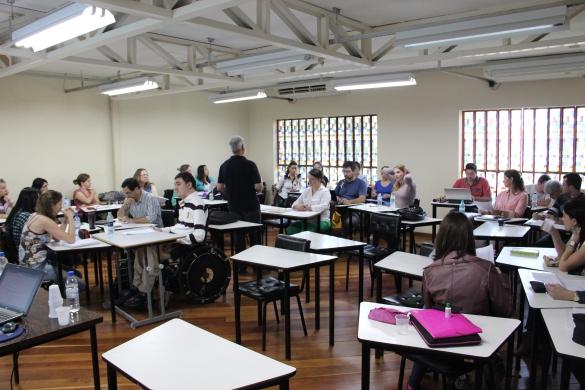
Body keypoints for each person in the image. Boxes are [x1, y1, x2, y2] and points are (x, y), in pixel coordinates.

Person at [408, 212, 512, 390]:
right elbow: (506, 311)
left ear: (441, 238)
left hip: (440, 341)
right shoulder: (486, 269)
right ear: (469, 238)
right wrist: (502, 279)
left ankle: (413, 381)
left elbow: (429, 309)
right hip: (478, 340)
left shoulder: (429, 271)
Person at [117, 178, 163, 303]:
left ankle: (145, 291)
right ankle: (136, 286)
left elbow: (151, 218)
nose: (127, 195)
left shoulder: (150, 198)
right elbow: (119, 216)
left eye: (128, 193)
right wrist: (126, 204)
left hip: (155, 236)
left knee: (148, 260)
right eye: (125, 193)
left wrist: (132, 220)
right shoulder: (130, 200)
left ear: (137, 189)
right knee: (138, 259)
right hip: (140, 234)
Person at [217, 136, 262, 253]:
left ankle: (240, 266)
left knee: (238, 237)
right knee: (254, 236)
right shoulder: (250, 165)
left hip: (234, 206)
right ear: (242, 147)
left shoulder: (224, 165)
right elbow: (258, 187)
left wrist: (230, 194)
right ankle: (257, 264)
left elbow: (219, 187)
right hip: (250, 206)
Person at [18, 190, 77, 281]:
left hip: (28, 265)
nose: (61, 207)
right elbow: (71, 239)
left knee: (74, 272)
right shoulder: (45, 221)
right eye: (59, 204)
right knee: (78, 281)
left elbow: (57, 238)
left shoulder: (34, 215)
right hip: (36, 269)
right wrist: (70, 218)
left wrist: (65, 221)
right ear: (53, 205)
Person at [541, 199, 585, 274]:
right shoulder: (577, 232)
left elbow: (563, 266)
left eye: (564, 216)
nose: (562, 219)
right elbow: (563, 254)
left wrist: (573, 242)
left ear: (574, 221)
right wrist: (554, 233)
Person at [287, 168, 331, 234]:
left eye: (312, 179)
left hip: (322, 220)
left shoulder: (325, 191)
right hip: (306, 220)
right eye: (309, 179)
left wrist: (309, 208)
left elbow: (323, 207)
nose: (309, 181)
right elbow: (295, 203)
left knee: (308, 230)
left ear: (319, 179)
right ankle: (295, 244)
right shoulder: (307, 190)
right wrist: (297, 206)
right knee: (291, 228)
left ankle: (307, 244)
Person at [168, 171, 207, 245]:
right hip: (177, 239)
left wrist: (175, 239)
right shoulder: (183, 202)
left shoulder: (197, 203)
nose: (175, 188)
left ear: (189, 185)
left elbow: (199, 235)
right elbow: (181, 226)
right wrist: (161, 230)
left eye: (178, 184)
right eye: (175, 185)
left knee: (151, 247)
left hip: (184, 246)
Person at [4, 187, 39, 254]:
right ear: (33, 200)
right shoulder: (26, 216)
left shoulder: (18, 211)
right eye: (38, 198)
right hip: (25, 253)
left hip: (19, 251)